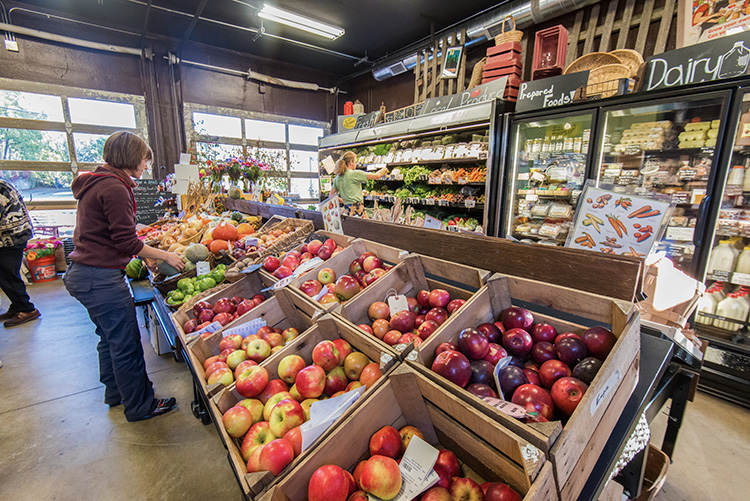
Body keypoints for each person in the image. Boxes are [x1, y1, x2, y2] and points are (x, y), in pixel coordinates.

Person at [63, 131, 185, 422]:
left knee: (108, 338)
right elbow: (125, 242)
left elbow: (111, 230)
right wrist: (165, 256)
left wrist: (138, 234)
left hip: (84, 275)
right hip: (101, 278)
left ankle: (116, 393)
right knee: (126, 343)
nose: (145, 167)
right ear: (131, 158)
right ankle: (141, 405)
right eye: (144, 160)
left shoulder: (96, 183)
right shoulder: (116, 188)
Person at [0, 178, 40, 328]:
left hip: (10, 237)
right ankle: (18, 306)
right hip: (12, 235)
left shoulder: (1, 187)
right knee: (7, 275)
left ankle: (26, 309)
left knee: (8, 275)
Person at [329, 151, 388, 217]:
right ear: (351, 162)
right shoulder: (354, 174)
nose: (356, 164)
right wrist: (384, 169)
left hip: (346, 210)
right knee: (362, 227)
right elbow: (377, 176)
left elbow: (331, 196)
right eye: (355, 161)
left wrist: (344, 201)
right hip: (357, 210)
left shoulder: (337, 178)